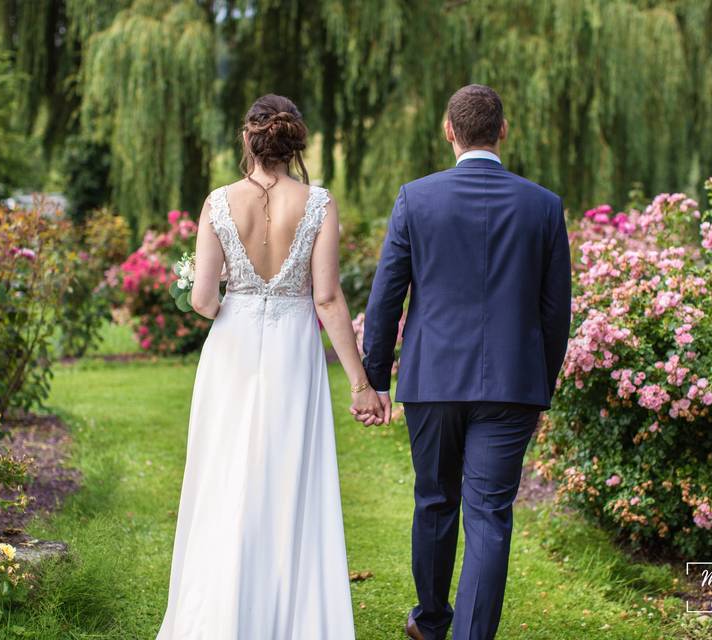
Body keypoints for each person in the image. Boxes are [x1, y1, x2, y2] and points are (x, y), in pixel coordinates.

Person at [157, 94, 383, 640]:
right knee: (289, 478)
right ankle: (293, 618)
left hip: (230, 349)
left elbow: (206, 301)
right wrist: (361, 384)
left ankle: (221, 612)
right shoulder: (319, 203)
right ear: (294, 142)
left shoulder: (217, 202)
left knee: (225, 473)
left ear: (248, 139)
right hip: (291, 351)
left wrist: (193, 285)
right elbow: (327, 299)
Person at [358, 84, 572, 640]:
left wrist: (375, 378)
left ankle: (430, 622)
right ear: (503, 130)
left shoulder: (416, 198)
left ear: (449, 131)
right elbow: (556, 312)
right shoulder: (543, 206)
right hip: (512, 385)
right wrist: (539, 386)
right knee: (489, 516)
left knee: (434, 499)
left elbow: (386, 297)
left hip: (432, 381)